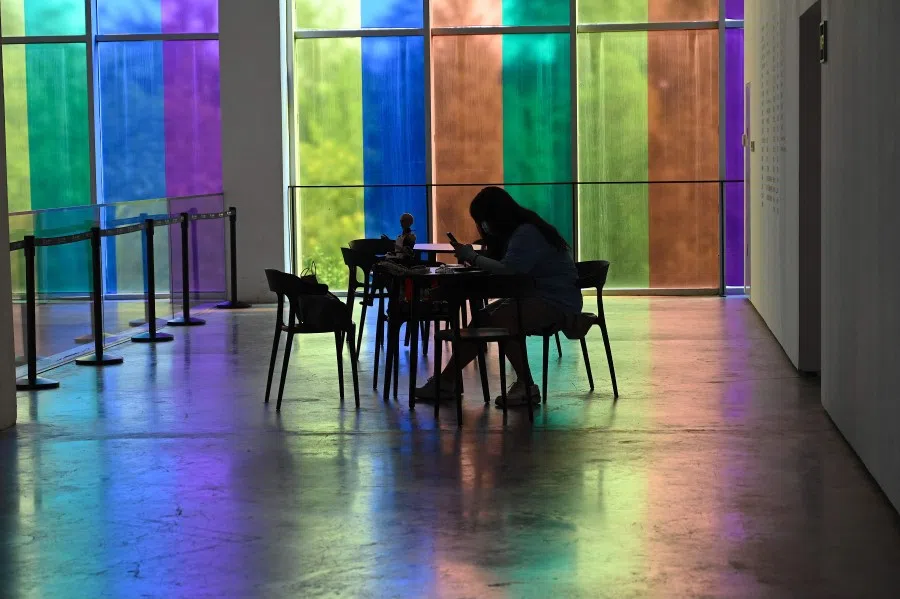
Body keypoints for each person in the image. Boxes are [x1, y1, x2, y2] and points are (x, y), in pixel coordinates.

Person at [416, 187, 582, 407]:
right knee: (483, 319)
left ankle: (526, 385)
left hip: (556, 302)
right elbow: (511, 266)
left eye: (483, 220)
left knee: (505, 319)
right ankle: (446, 381)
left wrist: (473, 258)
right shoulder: (523, 231)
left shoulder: (527, 233)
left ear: (495, 216)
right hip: (539, 297)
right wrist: (478, 256)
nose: (483, 226)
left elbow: (509, 270)